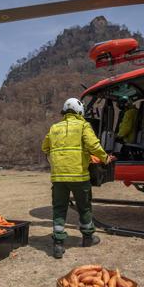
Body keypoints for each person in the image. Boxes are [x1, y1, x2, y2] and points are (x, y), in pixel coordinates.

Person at [41, 98, 116, 259]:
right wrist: (105, 158)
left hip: (58, 178)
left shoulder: (54, 128)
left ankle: (58, 245)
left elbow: (44, 147)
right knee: (84, 207)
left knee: (59, 209)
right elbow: (93, 145)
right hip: (79, 177)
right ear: (80, 112)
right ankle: (88, 238)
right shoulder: (83, 126)